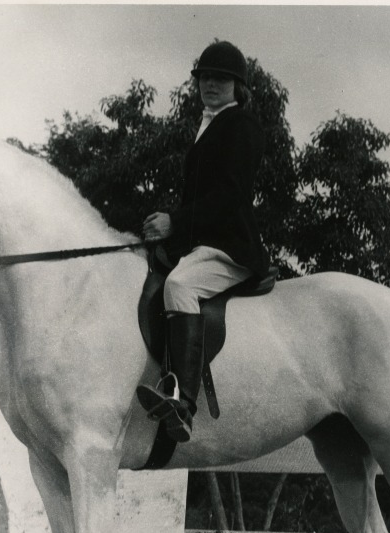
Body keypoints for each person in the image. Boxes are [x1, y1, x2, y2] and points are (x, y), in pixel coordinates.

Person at [137, 40, 269, 443]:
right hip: (202, 240)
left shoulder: (240, 125)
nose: (210, 84)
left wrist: (175, 222)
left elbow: (230, 195)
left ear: (237, 86)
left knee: (180, 285)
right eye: (205, 77)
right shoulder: (209, 122)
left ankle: (183, 402)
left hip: (231, 244)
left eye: (221, 79)